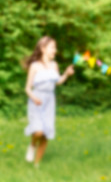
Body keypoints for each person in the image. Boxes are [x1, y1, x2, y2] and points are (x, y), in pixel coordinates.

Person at [24, 36, 74, 167]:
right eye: (53, 47)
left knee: (46, 133)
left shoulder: (54, 65)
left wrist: (66, 74)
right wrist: (34, 98)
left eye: (55, 47)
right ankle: (32, 145)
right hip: (37, 100)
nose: (55, 50)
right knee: (38, 131)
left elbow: (57, 82)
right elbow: (27, 88)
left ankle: (36, 165)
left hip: (49, 101)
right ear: (43, 48)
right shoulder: (35, 66)